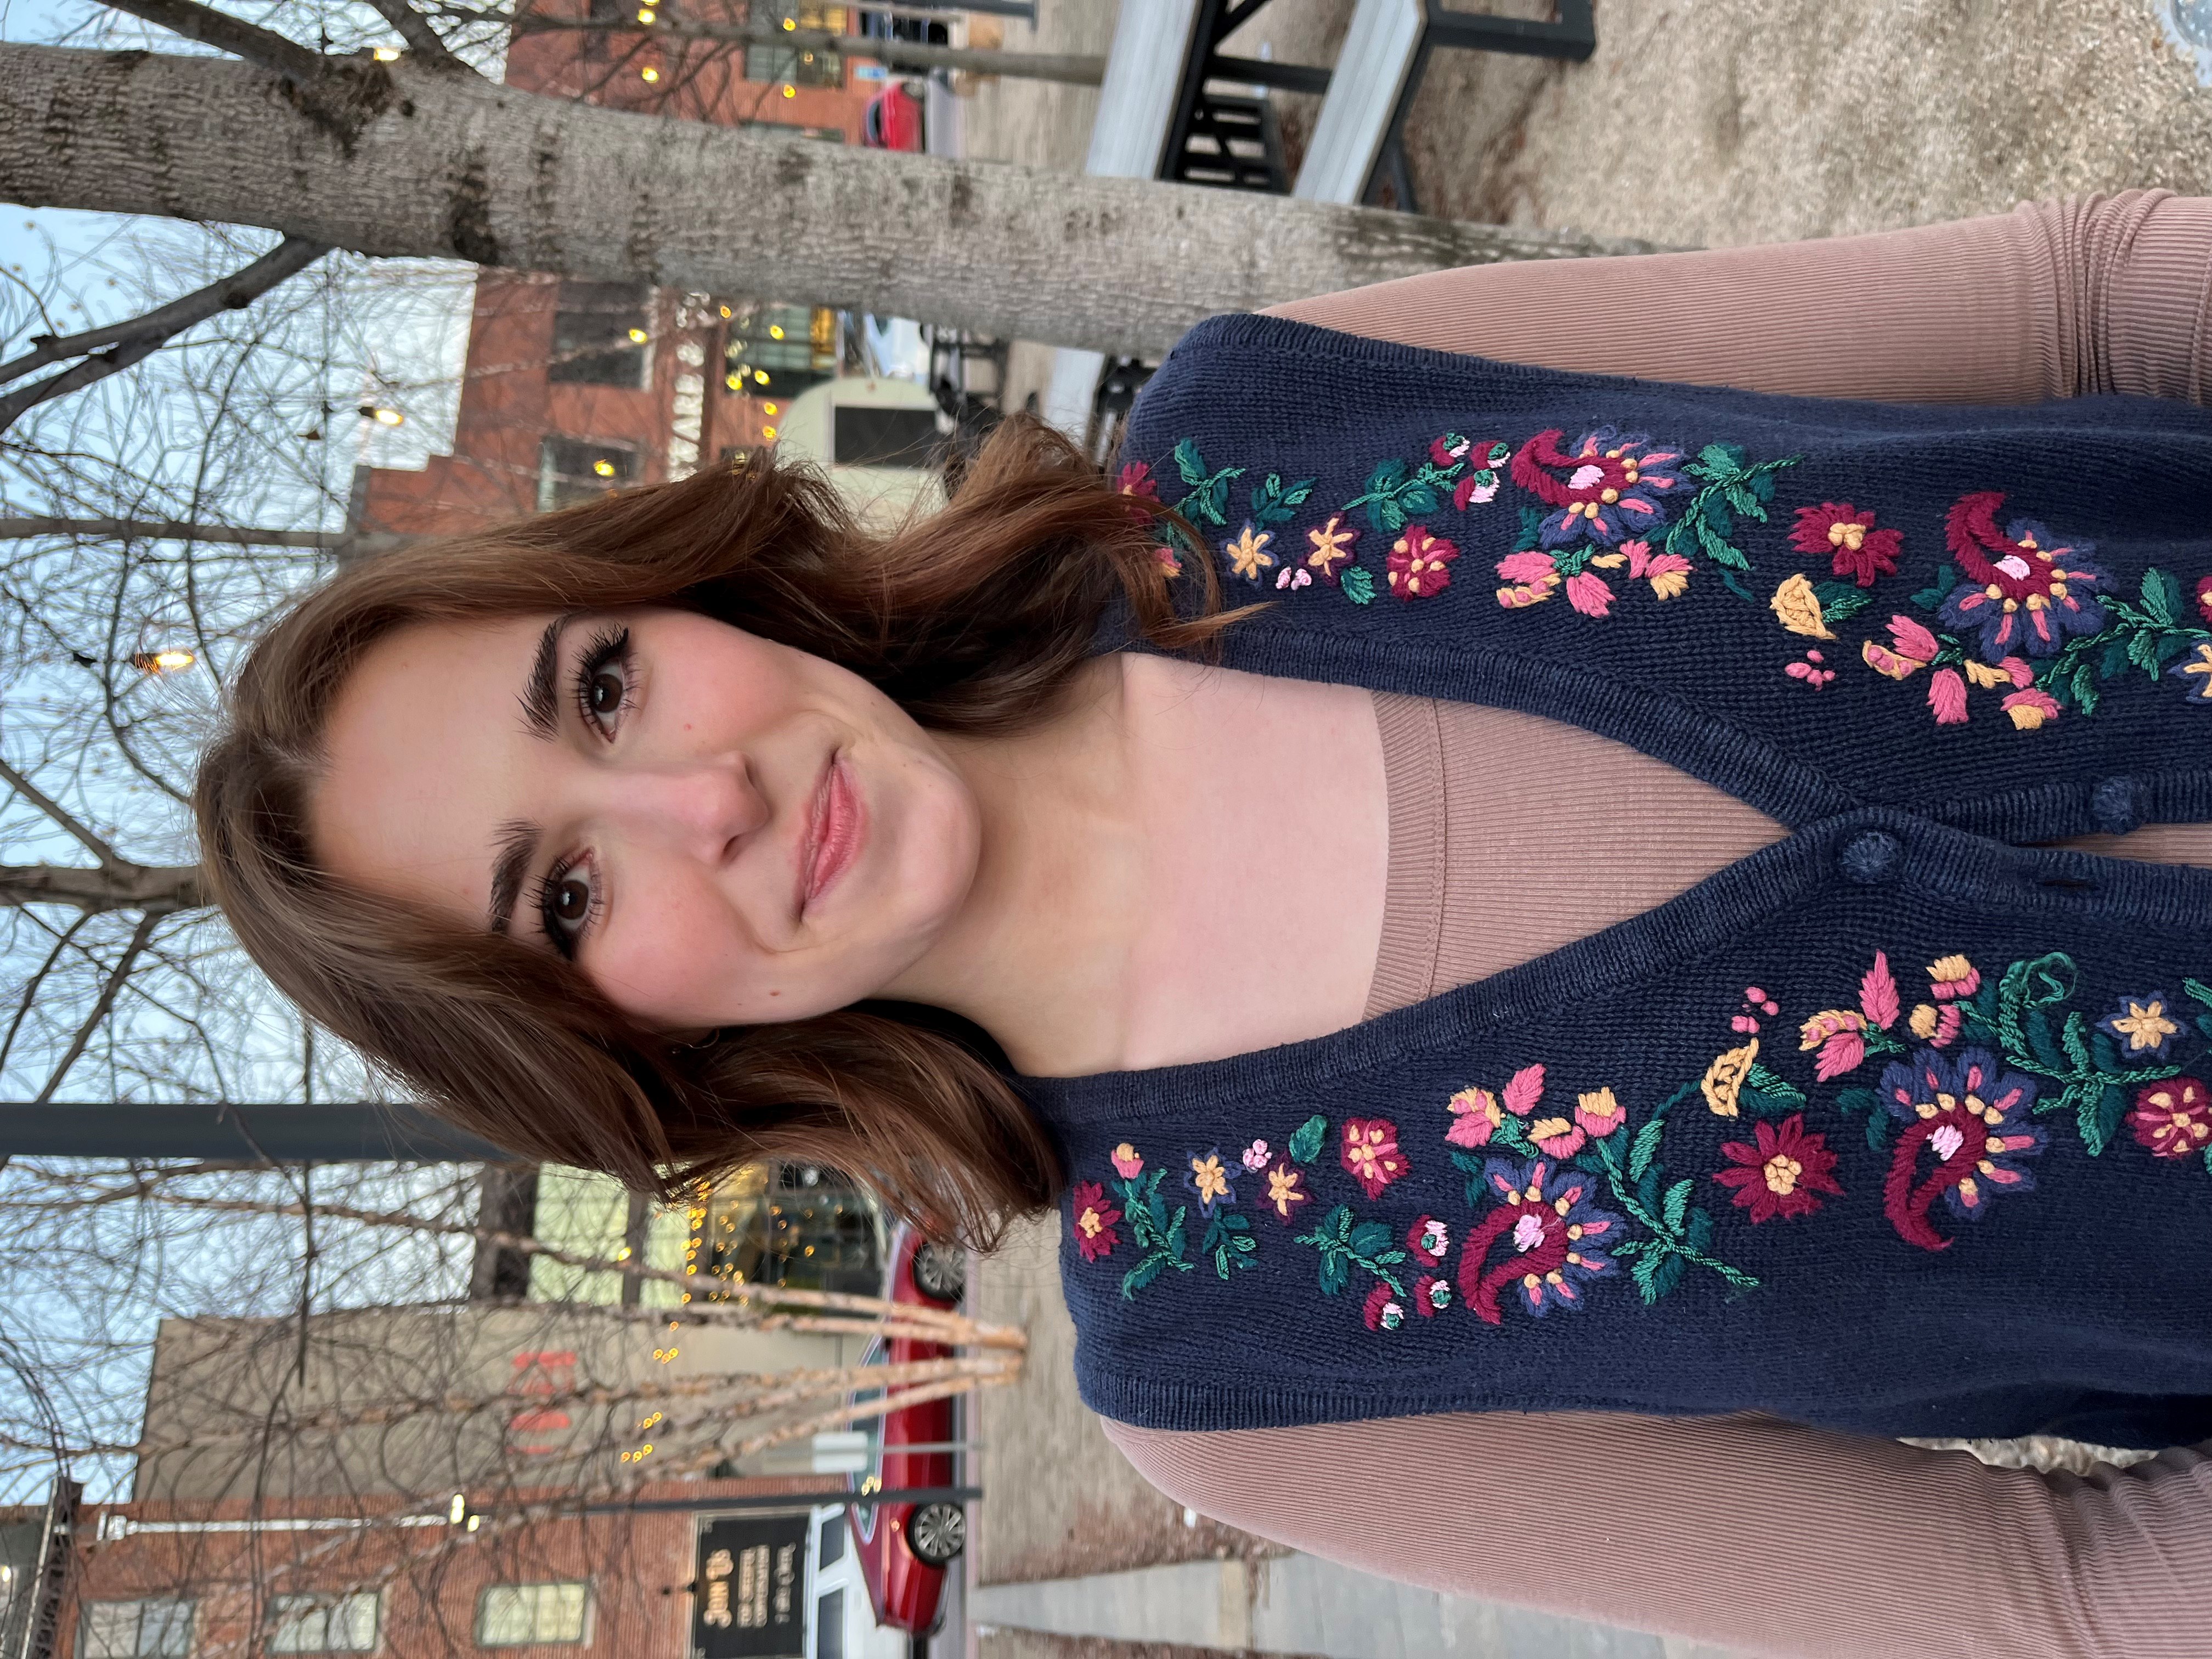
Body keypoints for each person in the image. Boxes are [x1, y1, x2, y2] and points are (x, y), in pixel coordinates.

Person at [196, 191, 2212, 1657]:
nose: (700, 803)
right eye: (566, 895)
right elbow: (2065, 1608)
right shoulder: (1241, 1363)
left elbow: (2085, 298)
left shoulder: (1266, 432)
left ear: (676, 592)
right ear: (610, 1046)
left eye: (607, 688)